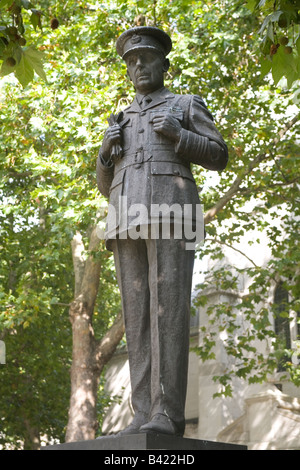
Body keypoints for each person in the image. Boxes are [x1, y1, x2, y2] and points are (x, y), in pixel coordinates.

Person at [96, 26, 228, 437]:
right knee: (136, 320)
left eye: (145, 59)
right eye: (131, 62)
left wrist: (179, 135)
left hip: (172, 215)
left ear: (163, 64)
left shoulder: (184, 105)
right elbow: (104, 182)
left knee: (168, 314)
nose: (138, 67)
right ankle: (141, 414)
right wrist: (105, 151)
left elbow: (219, 155)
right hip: (124, 220)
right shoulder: (121, 118)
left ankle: (166, 413)